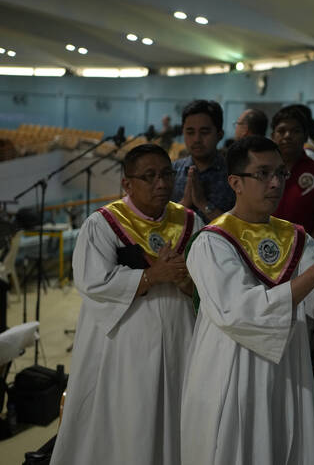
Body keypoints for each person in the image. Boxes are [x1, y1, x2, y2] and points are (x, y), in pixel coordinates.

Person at [180, 136, 314, 465]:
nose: (276, 183)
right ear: (235, 182)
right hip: (231, 368)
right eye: (263, 174)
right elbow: (237, 312)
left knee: (284, 443)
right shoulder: (212, 242)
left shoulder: (296, 237)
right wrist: (312, 277)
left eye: (281, 173)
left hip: (288, 368)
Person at [51, 144, 201, 465]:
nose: (161, 183)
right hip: (126, 348)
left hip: (180, 341)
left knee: (177, 417)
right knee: (131, 424)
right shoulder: (103, 224)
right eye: (149, 176)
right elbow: (93, 284)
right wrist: (153, 276)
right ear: (127, 184)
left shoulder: (190, 223)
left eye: (166, 174)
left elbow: (205, 288)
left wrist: (185, 281)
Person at [270, 106, 314, 249]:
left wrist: (306, 255)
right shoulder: (261, 171)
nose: (287, 135)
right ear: (272, 136)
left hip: (301, 256)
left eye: (295, 131)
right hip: (259, 252)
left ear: (305, 137)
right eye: (281, 131)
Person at [172, 100, 235, 222]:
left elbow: (239, 229)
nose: (196, 139)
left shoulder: (234, 175)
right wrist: (185, 203)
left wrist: (203, 204)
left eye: (204, 132)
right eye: (190, 132)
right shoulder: (171, 171)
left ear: (220, 134)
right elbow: (158, 223)